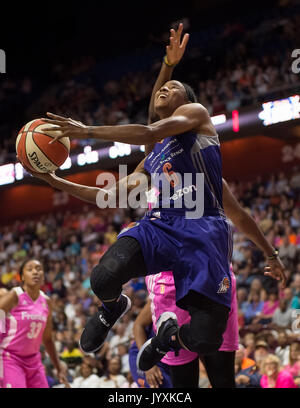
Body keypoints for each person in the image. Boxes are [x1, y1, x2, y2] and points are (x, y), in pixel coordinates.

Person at [24, 25, 286, 372]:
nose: (164, 89)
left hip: (202, 234)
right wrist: (55, 180)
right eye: (161, 88)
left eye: (171, 88)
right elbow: (109, 193)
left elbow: (151, 129)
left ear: (185, 101)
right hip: (160, 228)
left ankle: (168, 340)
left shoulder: (197, 115)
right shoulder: (153, 159)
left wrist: (271, 254)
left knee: (208, 337)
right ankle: (112, 307)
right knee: (102, 278)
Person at [0, 259, 67, 388]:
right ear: (22, 276)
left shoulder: (46, 301)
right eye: (30, 269)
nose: (35, 272)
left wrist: (58, 368)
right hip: (10, 358)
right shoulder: (15, 295)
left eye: (39, 269)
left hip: (34, 361)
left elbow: (47, 339)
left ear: (43, 276)